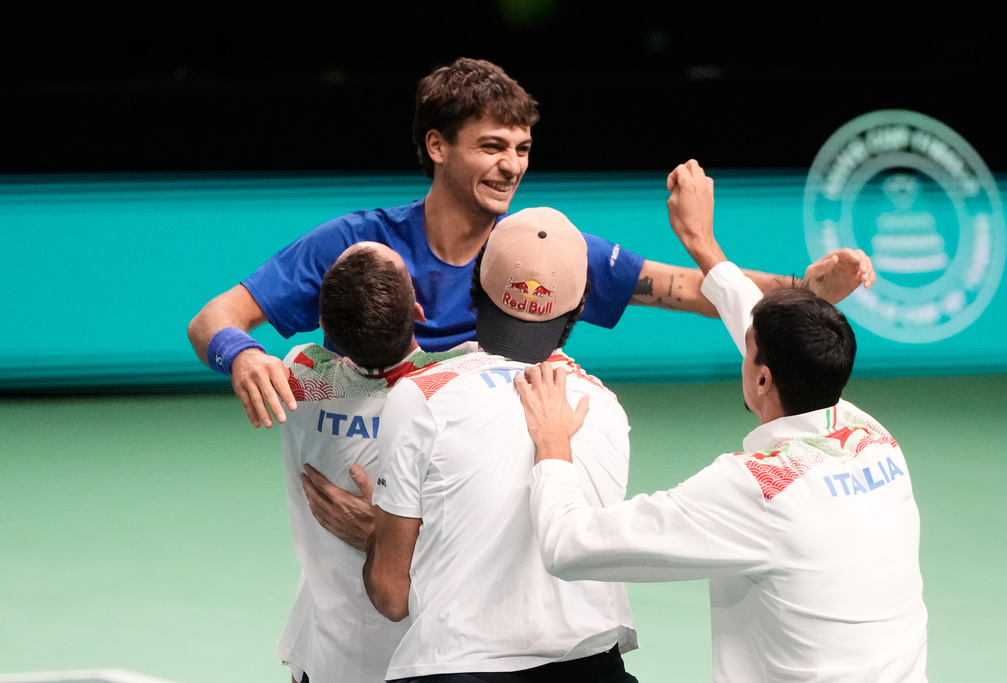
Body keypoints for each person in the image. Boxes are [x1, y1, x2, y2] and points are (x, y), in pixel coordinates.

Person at [186, 56, 870, 431]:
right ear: (436, 145)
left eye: (521, 148)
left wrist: (804, 290)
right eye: (491, 146)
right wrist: (239, 353)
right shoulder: (360, 246)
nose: (511, 166)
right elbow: (213, 318)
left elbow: (688, 288)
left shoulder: (542, 249)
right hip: (372, 472)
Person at [516, 162, 927, 682]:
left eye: (748, 350)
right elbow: (759, 327)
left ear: (763, 379)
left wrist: (554, 445)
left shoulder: (757, 489)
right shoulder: (874, 437)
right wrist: (703, 245)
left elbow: (569, 545)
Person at [363, 207, 638, 682]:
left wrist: (372, 534)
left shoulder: (421, 395)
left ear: (475, 288)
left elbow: (391, 594)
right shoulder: (606, 407)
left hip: (456, 668)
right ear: (578, 308)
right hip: (597, 665)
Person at [275, 241, 474, 683]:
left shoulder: (297, 377)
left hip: (325, 660)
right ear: (419, 311)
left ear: (324, 324)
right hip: (422, 658)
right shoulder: (460, 387)